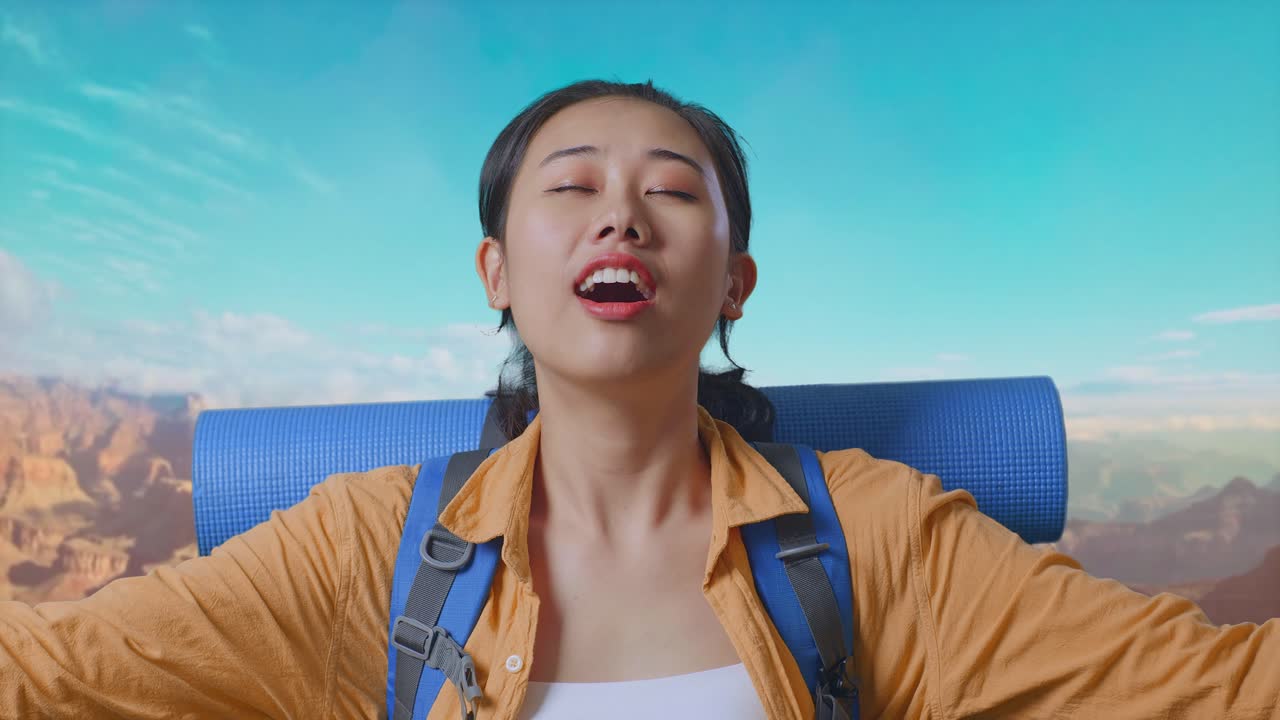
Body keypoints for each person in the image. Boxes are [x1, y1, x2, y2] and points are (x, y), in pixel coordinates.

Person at [1, 79, 1276, 720]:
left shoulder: (880, 544)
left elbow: (1218, 691)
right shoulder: (365, 552)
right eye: (570, 185)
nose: (620, 208)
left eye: (671, 189)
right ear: (496, 273)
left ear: (733, 280)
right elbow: (51, 678)